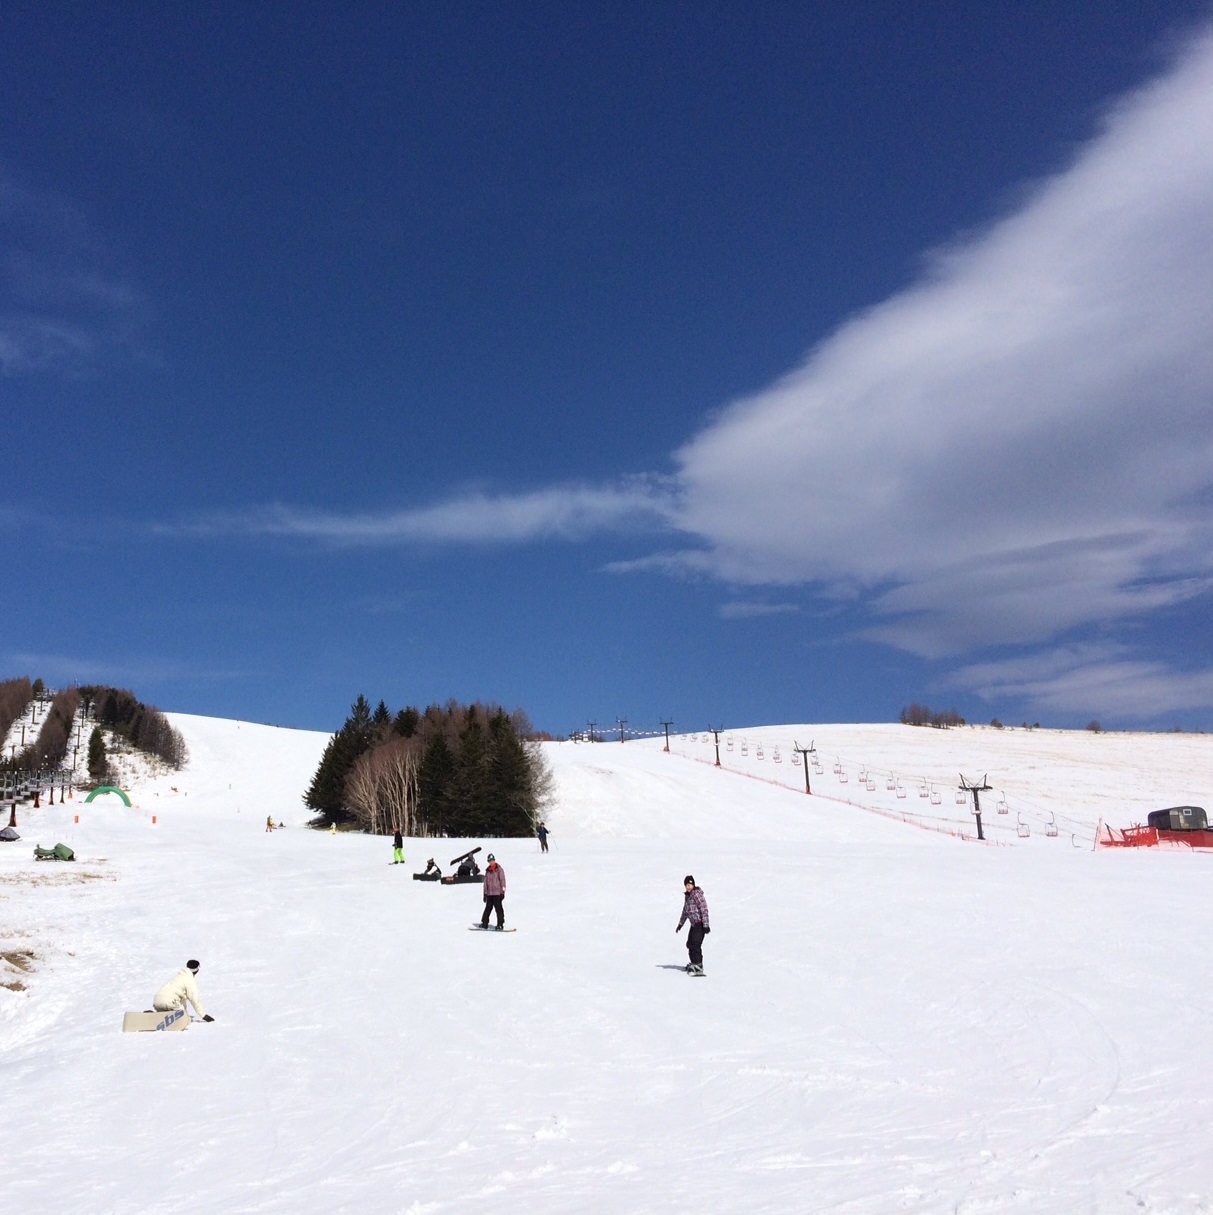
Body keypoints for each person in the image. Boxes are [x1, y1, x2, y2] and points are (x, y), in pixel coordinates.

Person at [675, 875, 710, 975]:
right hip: (694, 924)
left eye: (690, 884)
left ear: (693, 885)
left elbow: (704, 908)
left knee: (696, 943)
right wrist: (680, 924)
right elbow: (685, 912)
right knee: (690, 943)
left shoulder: (696, 894)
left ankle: (698, 965)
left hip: (699, 923)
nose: (688, 887)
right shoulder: (688, 896)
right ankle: (694, 963)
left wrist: (706, 925)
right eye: (687, 885)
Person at [480, 853, 506, 929]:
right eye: (489, 861)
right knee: (488, 908)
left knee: (498, 909)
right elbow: (485, 883)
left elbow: (503, 881)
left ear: (494, 860)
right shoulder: (487, 871)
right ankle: (484, 923)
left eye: (492, 860)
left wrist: (503, 892)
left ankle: (500, 924)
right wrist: (485, 893)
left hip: (497, 893)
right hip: (489, 893)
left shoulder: (499, 870)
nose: (491, 862)